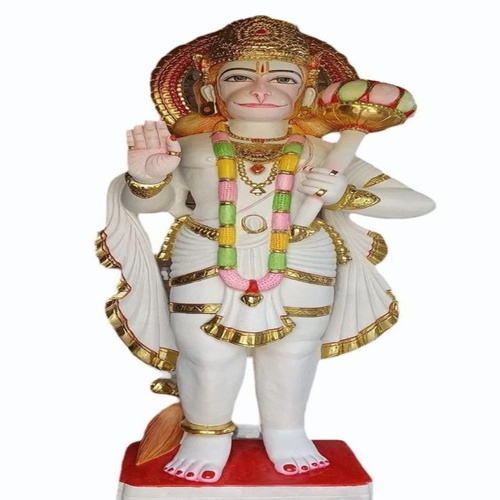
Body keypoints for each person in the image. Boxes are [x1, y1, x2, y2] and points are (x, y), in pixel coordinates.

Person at [97, 16, 435, 483]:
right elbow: (150, 203)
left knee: (294, 351)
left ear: (307, 93)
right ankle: (205, 434)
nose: (260, 89)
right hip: (207, 254)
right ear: (210, 88)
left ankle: (286, 431)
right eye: (238, 76)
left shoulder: (322, 153)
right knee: (206, 353)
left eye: (282, 79)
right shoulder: (191, 147)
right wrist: (146, 178)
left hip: (300, 257)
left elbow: (417, 202)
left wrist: (346, 196)